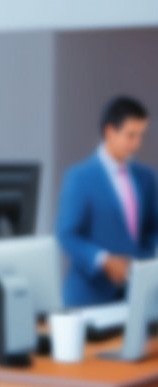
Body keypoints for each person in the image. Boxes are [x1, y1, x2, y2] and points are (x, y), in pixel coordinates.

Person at [57, 95, 157, 307]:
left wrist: (144, 262)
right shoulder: (80, 177)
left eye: (141, 135)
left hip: (135, 294)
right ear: (110, 131)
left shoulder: (146, 177)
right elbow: (67, 234)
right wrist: (103, 260)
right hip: (89, 296)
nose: (137, 144)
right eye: (131, 135)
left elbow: (152, 228)